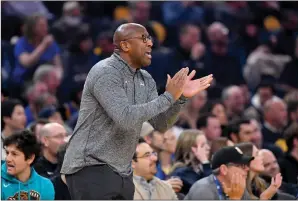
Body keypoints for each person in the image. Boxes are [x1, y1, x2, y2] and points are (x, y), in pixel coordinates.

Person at [61, 22, 213, 200]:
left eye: (149, 38)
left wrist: (180, 98)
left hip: (123, 169)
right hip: (91, 165)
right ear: (124, 45)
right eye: (144, 38)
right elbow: (125, 117)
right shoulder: (105, 72)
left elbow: (160, 124)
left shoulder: (146, 79)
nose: (150, 43)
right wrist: (168, 97)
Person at [1, 130, 55, 200]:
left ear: (30, 158)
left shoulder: (45, 185)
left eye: (14, 154)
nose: (7, 159)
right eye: (7, 153)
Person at [185, 146, 252, 200]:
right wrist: (235, 199)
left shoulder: (238, 188)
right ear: (224, 169)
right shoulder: (203, 190)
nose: (247, 169)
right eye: (242, 166)